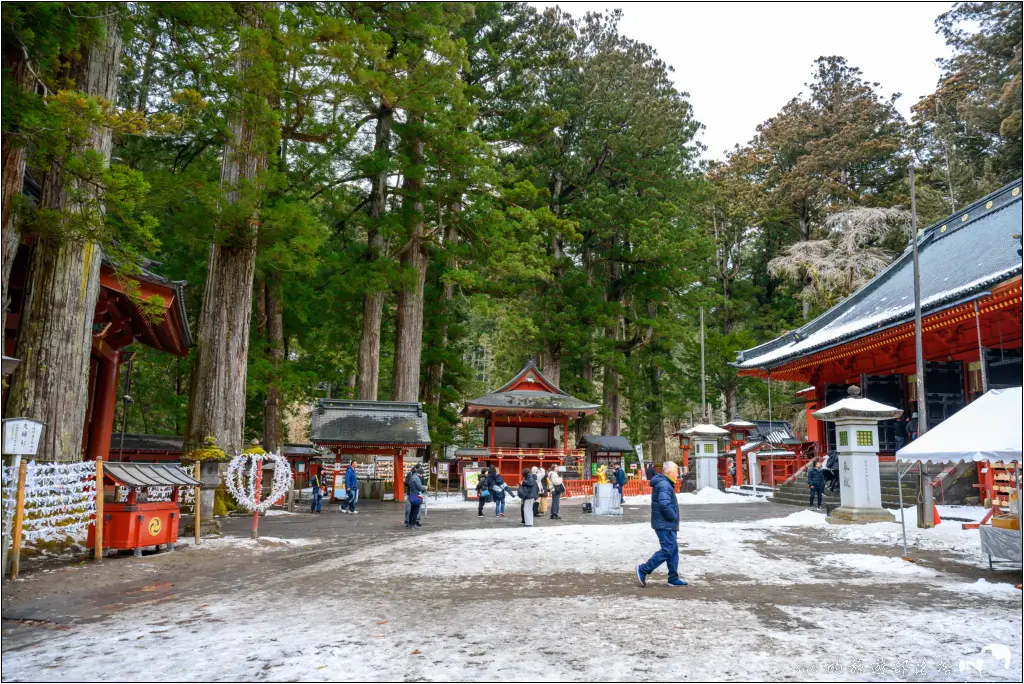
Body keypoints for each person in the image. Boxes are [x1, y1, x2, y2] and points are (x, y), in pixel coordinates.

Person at [636, 461, 686, 587]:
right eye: (676, 471)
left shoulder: (665, 482)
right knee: (668, 550)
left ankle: (673, 578)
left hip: (665, 523)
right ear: (669, 472)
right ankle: (643, 569)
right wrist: (673, 516)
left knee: (673, 550)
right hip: (665, 524)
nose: (677, 474)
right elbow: (664, 504)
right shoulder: (664, 484)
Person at [407, 464, 426, 528]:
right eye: (421, 474)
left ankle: (410, 523)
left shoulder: (412, 476)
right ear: (419, 473)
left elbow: (409, 484)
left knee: (412, 510)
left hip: (412, 494)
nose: (421, 475)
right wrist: (425, 487)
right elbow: (420, 487)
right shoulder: (417, 478)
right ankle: (413, 524)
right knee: (416, 510)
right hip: (417, 495)